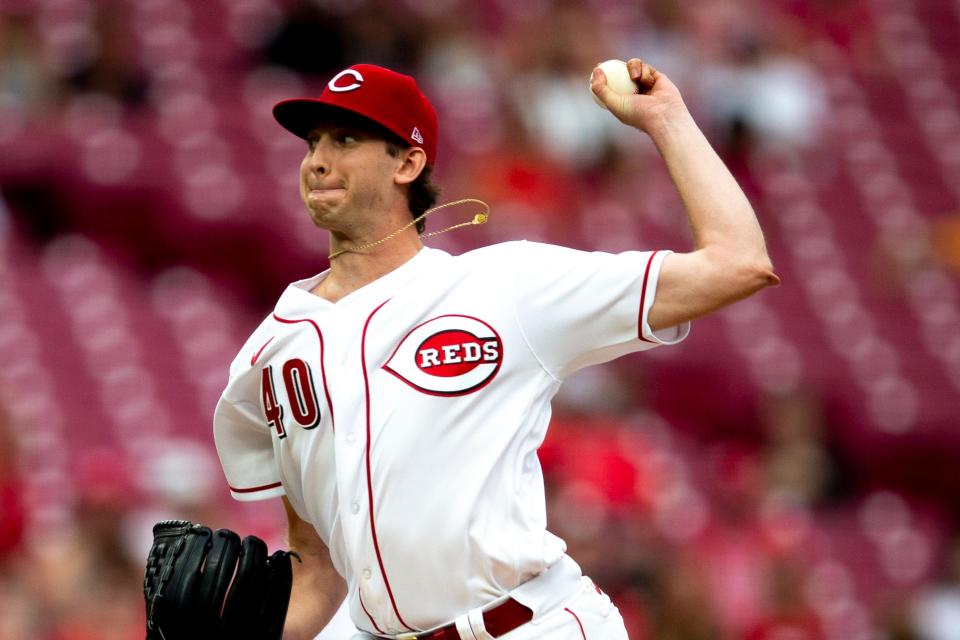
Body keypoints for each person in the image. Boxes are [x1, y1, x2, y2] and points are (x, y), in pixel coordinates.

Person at [213, 60, 779, 640]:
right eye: (313, 143)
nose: (317, 161)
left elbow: (738, 264)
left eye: (347, 139)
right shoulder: (269, 352)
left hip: (534, 626)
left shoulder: (504, 285)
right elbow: (318, 566)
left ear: (408, 162)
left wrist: (666, 118)